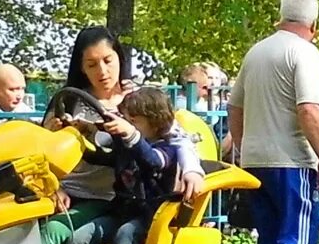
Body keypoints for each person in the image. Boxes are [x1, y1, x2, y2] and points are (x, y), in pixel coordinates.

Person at [227, 0, 319, 244]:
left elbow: (234, 106)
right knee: (300, 238)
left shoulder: (256, 52)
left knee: (271, 239)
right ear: (313, 24)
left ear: (281, 17)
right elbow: (308, 109)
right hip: (291, 159)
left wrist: (244, 149)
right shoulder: (305, 53)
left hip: (255, 160)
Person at [51, 86, 186, 244]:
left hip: (150, 219)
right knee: (80, 238)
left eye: (135, 121)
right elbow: (101, 157)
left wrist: (128, 133)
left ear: (155, 122)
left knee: (126, 232)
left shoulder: (166, 149)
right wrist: (80, 135)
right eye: (127, 119)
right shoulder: (125, 145)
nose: (128, 124)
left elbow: (152, 161)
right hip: (122, 211)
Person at [54, 26, 206, 210]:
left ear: (120, 57)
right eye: (92, 64)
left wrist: (192, 170)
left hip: (119, 199)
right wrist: (53, 187)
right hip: (70, 194)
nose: (102, 71)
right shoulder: (68, 100)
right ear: (82, 68)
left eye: (108, 60)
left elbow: (178, 139)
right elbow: (43, 151)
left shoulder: (140, 99)